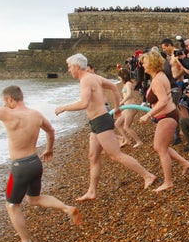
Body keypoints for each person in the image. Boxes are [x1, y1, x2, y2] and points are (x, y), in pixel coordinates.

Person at [0, 66, 82, 242]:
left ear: (10, 100)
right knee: (35, 199)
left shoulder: (8, 113)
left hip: (20, 167)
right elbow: (51, 130)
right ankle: (66, 208)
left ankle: (25, 241)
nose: (5, 104)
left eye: (5, 101)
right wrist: (49, 149)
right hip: (35, 162)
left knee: (12, 205)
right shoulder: (36, 114)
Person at [56, 53, 157, 201]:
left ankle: (148, 176)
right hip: (96, 122)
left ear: (77, 67)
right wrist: (116, 108)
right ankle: (92, 191)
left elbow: (84, 103)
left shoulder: (86, 80)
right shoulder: (93, 77)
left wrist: (64, 107)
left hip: (101, 121)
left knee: (115, 155)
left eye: (69, 67)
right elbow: (113, 88)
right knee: (93, 157)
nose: (69, 70)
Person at [138, 50, 189, 191]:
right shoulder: (159, 76)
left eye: (144, 62)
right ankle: (184, 163)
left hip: (167, 116)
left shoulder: (157, 79)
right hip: (167, 115)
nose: (142, 65)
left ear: (151, 63)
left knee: (161, 149)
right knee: (159, 147)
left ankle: (168, 182)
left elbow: (162, 101)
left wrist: (148, 115)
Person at [113, 68, 144, 148]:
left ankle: (139, 141)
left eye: (119, 76)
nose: (118, 78)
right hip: (126, 108)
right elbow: (125, 95)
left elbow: (129, 94)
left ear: (124, 76)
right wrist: (121, 100)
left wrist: (122, 102)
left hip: (131, 107)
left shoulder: (128, 83)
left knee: (126, 127)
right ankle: (126, 140)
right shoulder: (125, 84)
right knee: (117, 124)